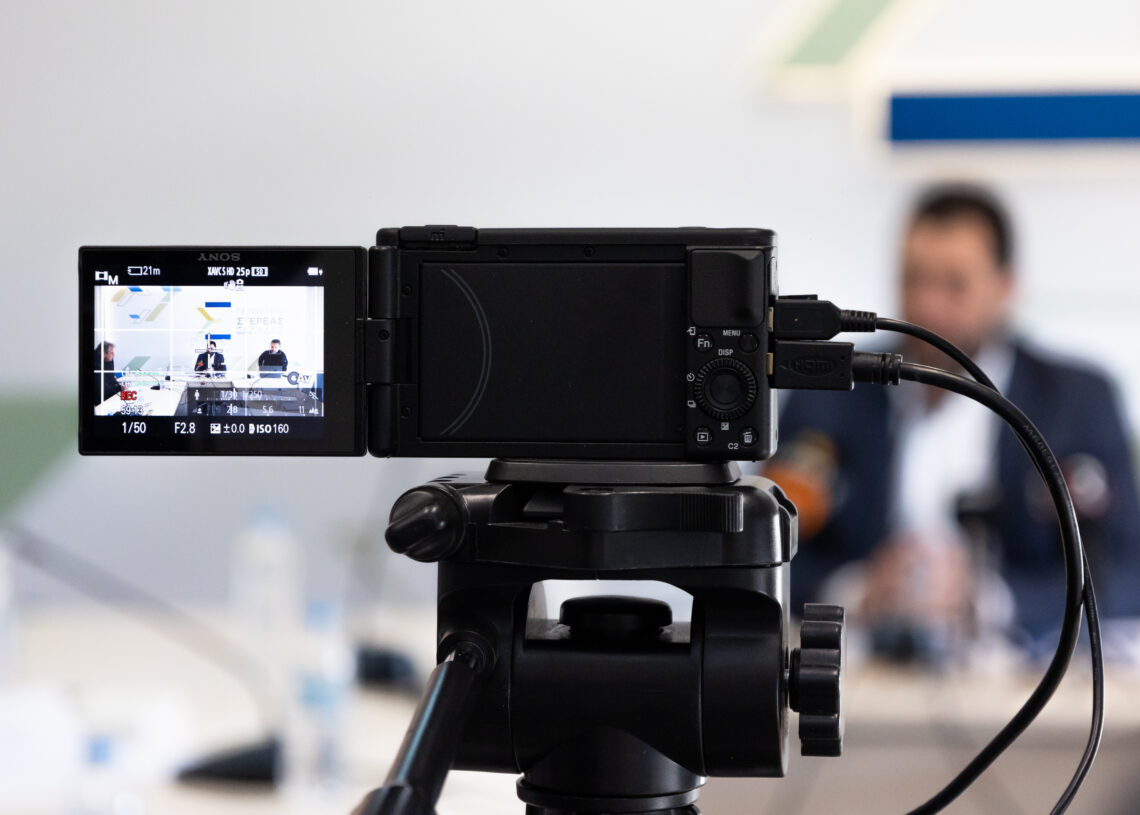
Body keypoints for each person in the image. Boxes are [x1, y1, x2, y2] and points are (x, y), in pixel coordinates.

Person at [767, 184, 1140, 657]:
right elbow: (764, 557)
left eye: (954, 284)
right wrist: (858, 590)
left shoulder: (1077, 400)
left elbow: (1126, 574)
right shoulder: (830, 392)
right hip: (862, 677)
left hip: (1019, 676)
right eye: (912, 279)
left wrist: (988, 599)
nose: (927, 305)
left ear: (1006, 287)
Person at [93, 341, 122, 405]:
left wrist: (110, 361)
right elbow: (103, 389)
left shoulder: (103, 359)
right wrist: (119, 388)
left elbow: (111, 377)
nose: (113, 354)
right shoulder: (95, 364)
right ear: (104, 354)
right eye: (111, 352)